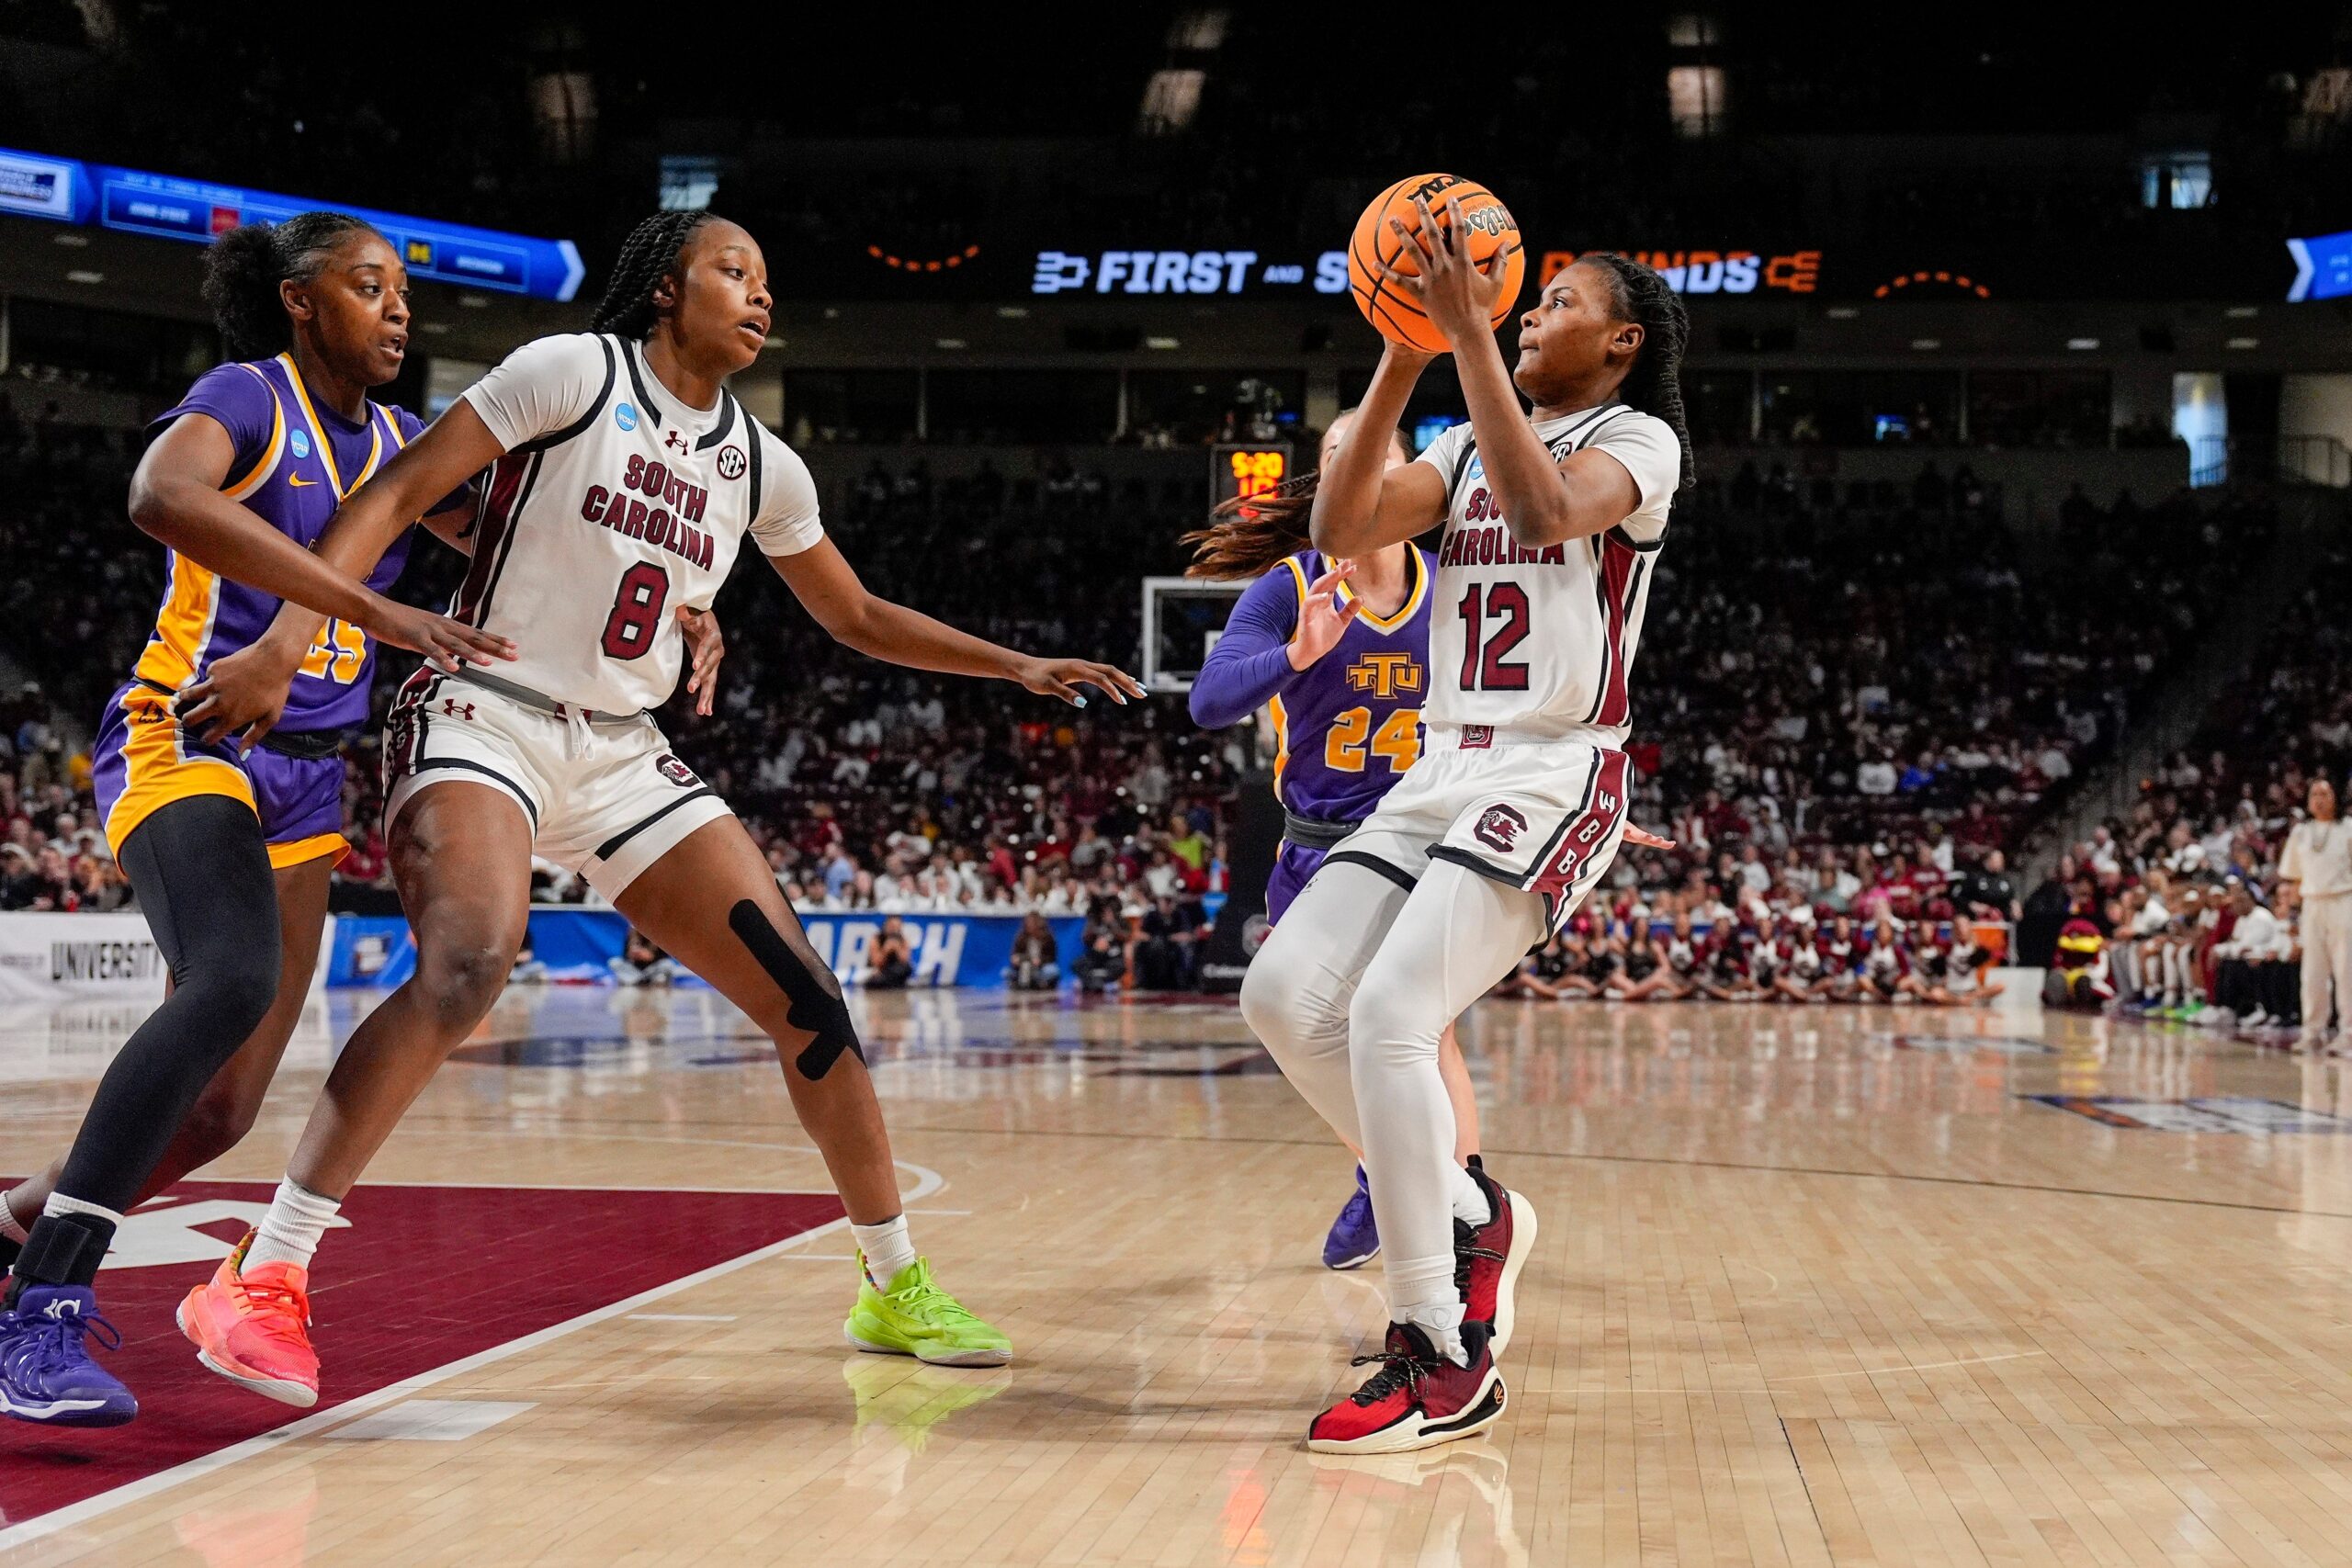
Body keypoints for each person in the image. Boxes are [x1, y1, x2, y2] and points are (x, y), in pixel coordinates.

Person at [171, 210, 1143, 1406]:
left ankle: (893, 1280)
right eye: (734, 269)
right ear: (666, 287)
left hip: (626, 751)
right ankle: (266, 1271)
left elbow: (856, 614)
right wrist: (286, 636)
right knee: (471, 960)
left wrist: (1018, 665)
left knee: (813, 1003)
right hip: (486, 711)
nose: (759, 292)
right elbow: (392, 492)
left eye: (768, 279)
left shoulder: (762, 463)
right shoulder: (571, 371)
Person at [0, 213, 517, 1427]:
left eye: (403, 291)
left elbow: (512, 538)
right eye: (368, 285)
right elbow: (156, 493)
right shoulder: (249, 394)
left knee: (224, 1111)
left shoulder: (398, 440)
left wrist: (682, 598)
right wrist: (362, 610)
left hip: (307, 785)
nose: (398, 309)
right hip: (191, 738)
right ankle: (43, 1309)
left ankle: (17, 1227)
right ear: (299, 299)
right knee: (228, 975)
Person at [1242, 220, 1691, 1453]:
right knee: (1283, 994)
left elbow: (1548, 514)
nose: (1531, 312)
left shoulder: (1636, 441)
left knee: (1392, 1014)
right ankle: (1468, 1208)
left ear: (1622, 340)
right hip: (1441, 761)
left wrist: (1478, 344)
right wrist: (1400, 351)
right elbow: (1339, 527)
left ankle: (1442, 1346)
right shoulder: (1455, 439)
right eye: (1526, 303)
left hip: (1556, 767)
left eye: (1558, 303)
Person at [2279, 777, 2352, 1051]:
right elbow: (2294, 878)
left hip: (2344, 901)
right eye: (2314, 794)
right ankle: (2313, 1031)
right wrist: (2293, 915)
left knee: (2346, 970)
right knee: (2312, 973)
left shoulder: (2348, 828)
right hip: (2312, 905)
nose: (2319, 799)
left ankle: (2348, 1032)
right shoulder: (2300, 833)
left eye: (2325, 793)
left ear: (2336, 798)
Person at [1005, 912, 1060, 990]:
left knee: (1052, 971)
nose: (1030, 925)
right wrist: (1015, 959)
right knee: (1006, 972)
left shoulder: (1048, 937)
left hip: (1041, 967)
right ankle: (1024, 984)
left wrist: (1041, 960)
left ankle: (1038, 982)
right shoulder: (1021, 937)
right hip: (1024, 965)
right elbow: (1014, 954)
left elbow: (1052, 957)